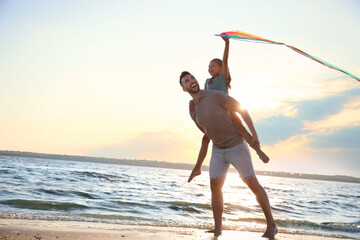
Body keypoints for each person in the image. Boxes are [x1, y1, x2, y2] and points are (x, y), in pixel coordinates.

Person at [179, 71, 278, 238]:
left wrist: (254, 134)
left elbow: (242, 110)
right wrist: (197, 167)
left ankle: (272, 226)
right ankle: (218, 229)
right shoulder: (192, 110)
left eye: (192, 78)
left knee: (251, 182)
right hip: (218, 149)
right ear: (184, 89)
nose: (191, 82)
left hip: (236, 146)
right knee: (215, 186)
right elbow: (206, 135)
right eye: (187, 81)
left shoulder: (215, 96)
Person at [189, 37, 269, 185]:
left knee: (241, 129)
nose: (210, 68)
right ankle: (198, 167)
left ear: (220, 68)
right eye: (209, 66)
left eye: (213, 66)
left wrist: (227, 43)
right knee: (205, 139)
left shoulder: (223, 77)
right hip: (216, 117)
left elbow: (225, 61)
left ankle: (259, 151)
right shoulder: (207, 82)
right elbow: (203, 97)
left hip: (227, 110)